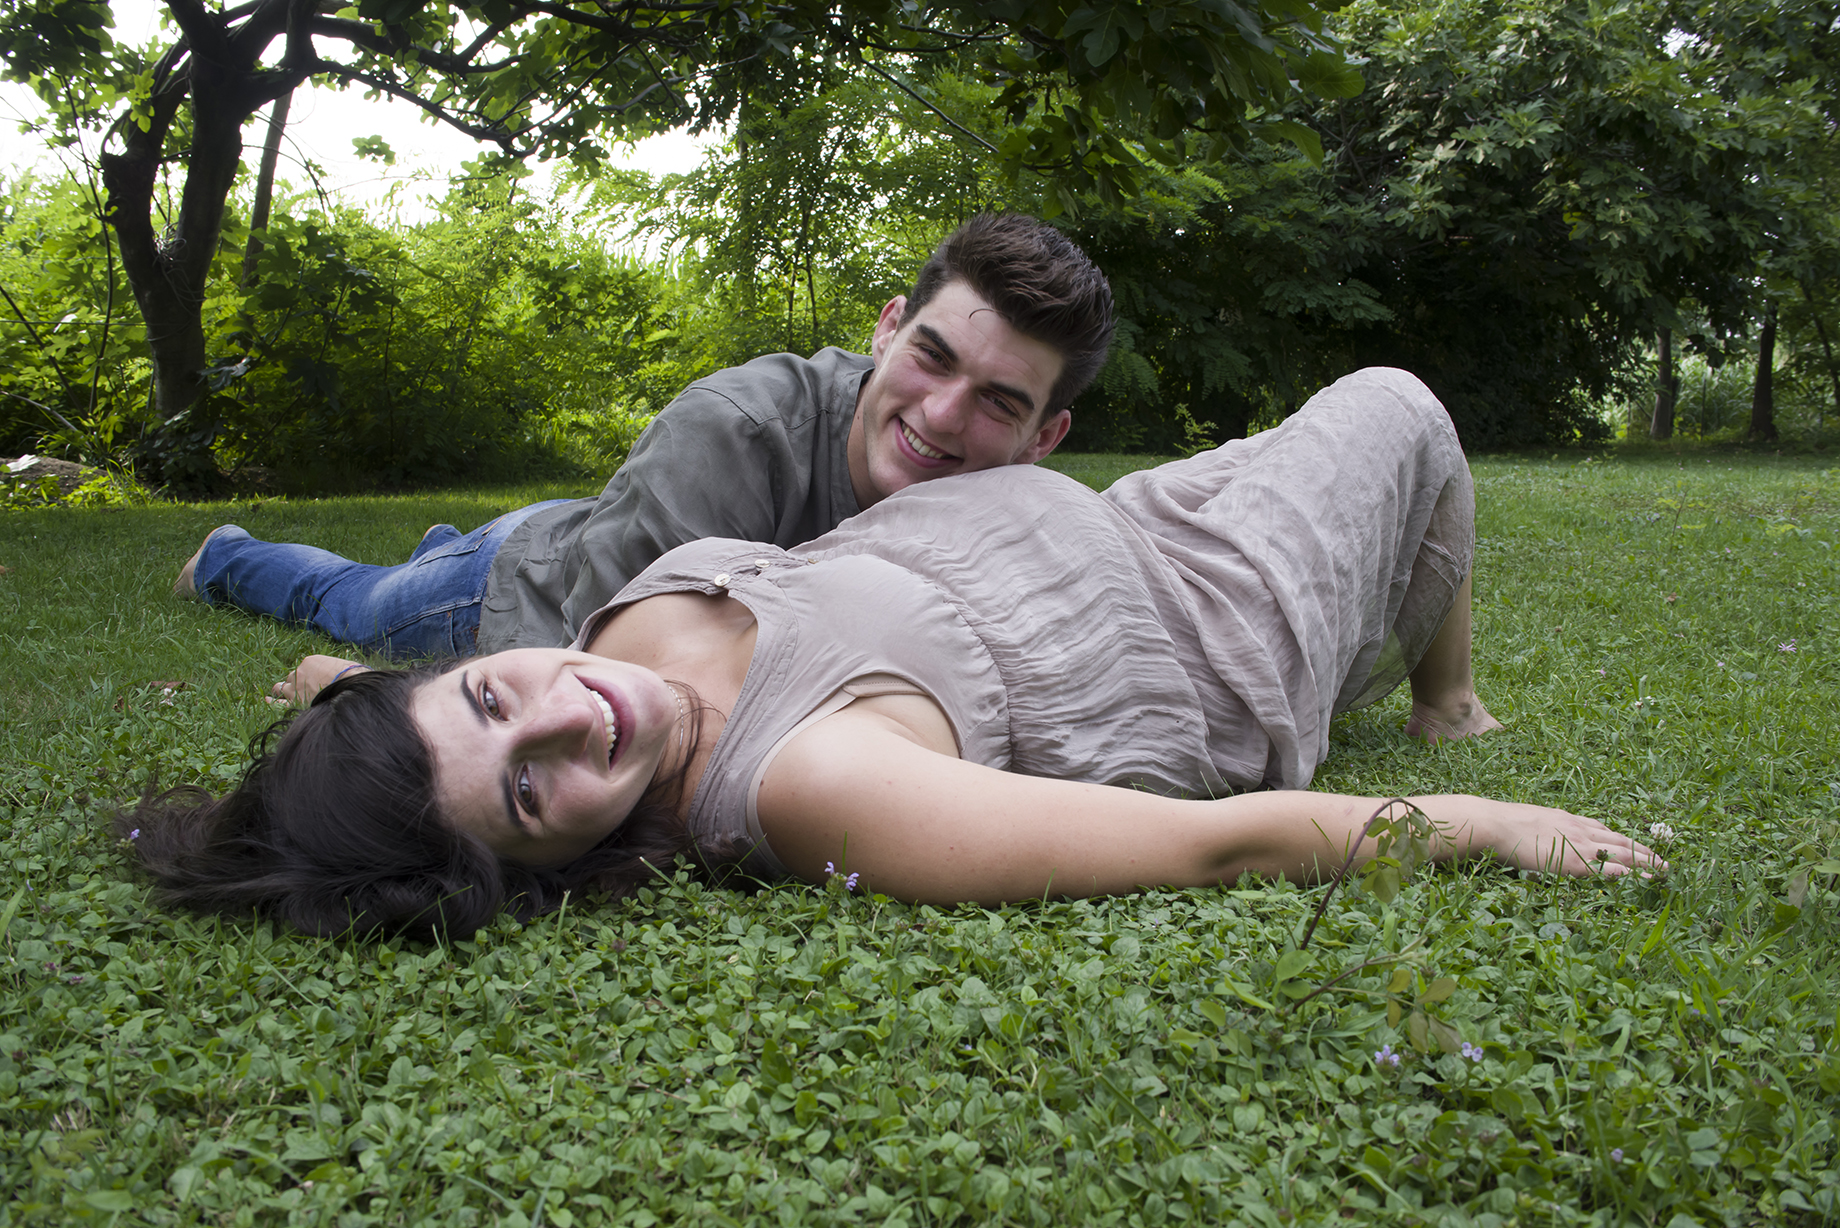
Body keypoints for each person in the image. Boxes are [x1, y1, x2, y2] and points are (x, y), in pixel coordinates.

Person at [127, 369, 1661, 941]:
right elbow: (1209, 851)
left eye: (492, 699)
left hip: (1123, 512)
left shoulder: (586, 656)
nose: (566, 712)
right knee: (1398, 406)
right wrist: (1478, 826)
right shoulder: (817, 787)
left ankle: (323, 613)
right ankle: (1447, 705)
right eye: (531, 795)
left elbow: (528, 674)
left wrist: (364, 699)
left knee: (414, 601)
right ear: (570, 864)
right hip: (1214, 609)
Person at [173, 213, 1114, 657]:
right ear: (886, 327)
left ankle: (448, 545)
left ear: (1045, 437)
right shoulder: (738, 428)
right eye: (934, 357)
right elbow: (618, 676)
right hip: (533, 598)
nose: (943, 417)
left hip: (611, 529)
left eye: (999, 402)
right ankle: (230, 555)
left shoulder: (1021, 512)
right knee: (353, 603)